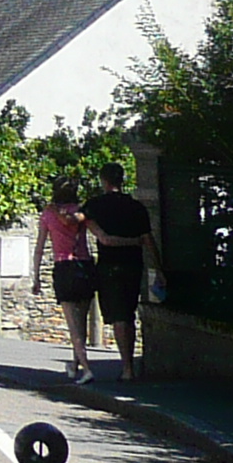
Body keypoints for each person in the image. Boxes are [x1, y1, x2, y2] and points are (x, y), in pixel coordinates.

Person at [81, 162, 164, 381]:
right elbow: (148, 240)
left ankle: (127, 367)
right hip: (133, 265)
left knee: (119, 316)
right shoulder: (136, 207)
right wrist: (158, 268)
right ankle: (129, 366)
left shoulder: (94, 205)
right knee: (128, 314)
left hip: (109, 266)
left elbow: (101, 237)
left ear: (103, 181)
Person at [39, 177, 95, 383]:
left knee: (73, 325)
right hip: (86, 265)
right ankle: (74, 364)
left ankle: (87, 369)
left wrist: (35, 276)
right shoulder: (82, 210)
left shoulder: (48, 214)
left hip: (64, 267)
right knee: (82, 323)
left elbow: (39, 247)